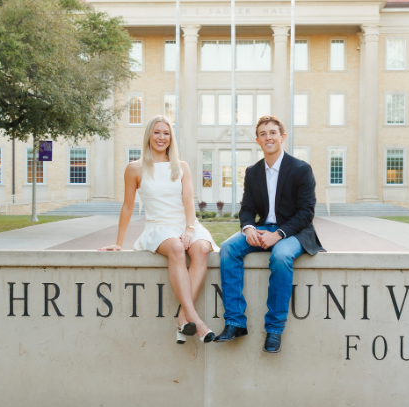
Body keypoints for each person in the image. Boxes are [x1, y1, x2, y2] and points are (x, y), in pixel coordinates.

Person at [100, 115, 218, 344]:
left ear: (171, 138)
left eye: (166, 133)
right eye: (157, 132)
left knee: (202, 249)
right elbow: (127, 206)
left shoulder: (181, 166)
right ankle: (196, 321)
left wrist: (190, 229)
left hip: (185, 223)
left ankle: (183, 318)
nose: (161, 137)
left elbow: (188, 201)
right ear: (149, 136)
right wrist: (119, 242)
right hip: (159, 226)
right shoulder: (135, 168)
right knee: (176, 247)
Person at [214, 116, 322, 353]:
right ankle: (234, 321)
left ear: (282, 137)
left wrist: (280, 234)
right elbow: (246, 209)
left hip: (295, 232)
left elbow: (306, 213)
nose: (268, 137)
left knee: (281, 257)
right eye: (263, 134)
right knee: (229, 248)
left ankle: (274, 329)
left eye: (273, 133)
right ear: (257, 140)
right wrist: (249, 228)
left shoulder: (301, 169)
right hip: (263, 229)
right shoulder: (253, 172)